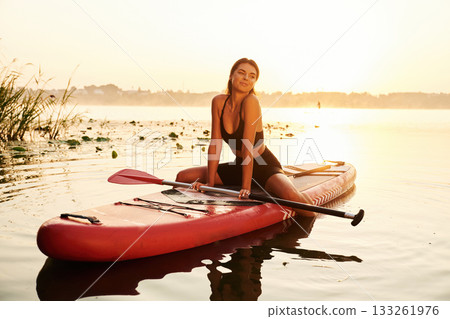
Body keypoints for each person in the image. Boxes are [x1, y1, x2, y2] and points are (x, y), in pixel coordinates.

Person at [176, 58, 314, 217]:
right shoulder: (218, 102)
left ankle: (306, 205)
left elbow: (247, 145)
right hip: (241, 166)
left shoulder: (251, 101)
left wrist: (246, 187)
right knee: (183, 177)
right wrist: (210, 183)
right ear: (231, 76)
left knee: (292, 198)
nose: (246, 78)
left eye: (252, 76)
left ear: (255, 82)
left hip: (264, 166)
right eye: (241, 73)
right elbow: (215, 143)